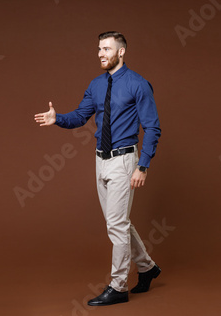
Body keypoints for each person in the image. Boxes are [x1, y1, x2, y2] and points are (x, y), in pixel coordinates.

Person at [34, 31, 162, 306]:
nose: (101, 54)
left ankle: (118, 286)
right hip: (100, 158)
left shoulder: (138, 84)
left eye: (106, 49)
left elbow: (152, 127)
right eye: (99, 49)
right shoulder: (95, 84)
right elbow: (80, 117)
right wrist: (58, 119)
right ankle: (148, 268)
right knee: (117, 223)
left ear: (122, 51)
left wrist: (143, 166)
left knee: (116, 225)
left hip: (124, 160)